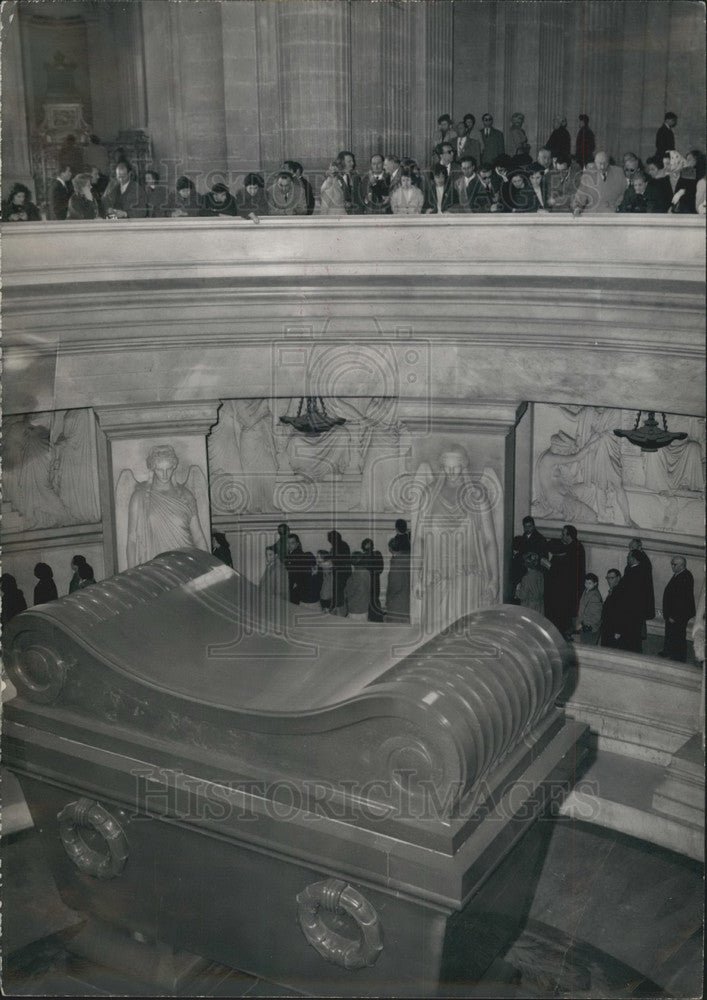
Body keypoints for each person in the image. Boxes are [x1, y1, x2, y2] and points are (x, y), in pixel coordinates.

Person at [126, 444, 209, 567]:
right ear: (153, 468)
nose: (165, 474)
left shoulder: (186, 496)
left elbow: (198, 537)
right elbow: (132, 540)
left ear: (174, 466)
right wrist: (131, 573)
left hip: (186, 565)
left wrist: (208, 566)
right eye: (160, 469)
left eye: (169, 468)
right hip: (155, 567)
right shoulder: (140, 497)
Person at [542, 525, 585, 640]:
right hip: (559, 593)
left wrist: (550, 566)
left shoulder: (575, 549)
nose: (561, 536)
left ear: (569, 536)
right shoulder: (570, 546)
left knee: (561, 623)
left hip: (564, 595)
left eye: (563, 534)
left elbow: (566, 573)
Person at [661, 557, 696, 662]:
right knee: (671, 633)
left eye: (674, 564)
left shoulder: (686, 576)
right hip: (673, 613)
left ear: (682, 565)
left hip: (678, 614)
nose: (672, 566)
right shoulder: (679, 574)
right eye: (672, 563)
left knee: (678, 635)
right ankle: (669, 652)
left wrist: (674, 616)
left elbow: (682, 600)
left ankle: (679, 657)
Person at [625, 538, 655, 636]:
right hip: (637, 598)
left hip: (638, 599)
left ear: (639, 547)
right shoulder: (637, 558)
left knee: (637, 623)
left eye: (632, 547)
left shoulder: (642, 561)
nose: (630, 550)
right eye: (630, 547)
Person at [511, 516, 549, 592]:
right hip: (523, 571)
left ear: (533, 526)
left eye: (530, 526)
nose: (527, 529)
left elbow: (543, 557)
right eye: (525, 527)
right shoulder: (522, 538)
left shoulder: (541, 539)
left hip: (534, 572)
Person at [285, 534, 318, 605]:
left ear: (297, 544)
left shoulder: (296, 556)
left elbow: (296, 574)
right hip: (300, 589)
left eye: (292, 543)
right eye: (288, 543)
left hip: (297, 589)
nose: (290, 545)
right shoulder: (291, 555)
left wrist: (295, 584)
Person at [385, 534, 410, 623]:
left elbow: (395, 585)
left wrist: (388, 599)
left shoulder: (397, 563)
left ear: (391, 549)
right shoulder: (408, 558)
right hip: (407, 600)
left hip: (396, 603)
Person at [575, 573, 603, 645]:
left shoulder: (595, 597)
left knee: (588, 649)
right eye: (585, 582)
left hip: (590, 628)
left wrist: (583, 624)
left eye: (589, 583)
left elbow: (596, 617)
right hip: (584, 626)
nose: (587, 585)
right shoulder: (586, 591)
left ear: (595, 584)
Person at [327, 530, 351, 613]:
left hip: (340, 573)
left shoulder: (337, 546)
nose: (329, 541)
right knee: (342, 592)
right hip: (345, 572)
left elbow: (338, 560)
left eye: (330, 539)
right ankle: (341, 610)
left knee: (339, 593)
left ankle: (340, 611)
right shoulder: (343, 544)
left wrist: (331, 563)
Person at [361, 538, 384, 622]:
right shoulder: (375, 554)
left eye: (369, 544)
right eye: (366, 544)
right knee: (372, 600)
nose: (368, 546)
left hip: (371, 581)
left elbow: (380, 569)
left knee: (373, 600)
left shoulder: (366, 556)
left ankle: (376, 619)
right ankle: (375, 619)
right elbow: (380, 569)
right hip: (372, 581)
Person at [600, 568, 624, 648]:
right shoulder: (614, 589)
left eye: (612, 578)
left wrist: (618, 631)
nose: (609, 580)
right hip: (608, 627)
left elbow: (621, 612)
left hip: (614, 629)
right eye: (608, 578)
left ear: (618, 578)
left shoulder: (620, 592)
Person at [344, 552, 370, 621]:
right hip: (364, 607)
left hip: (355, 608)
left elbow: (348, 592)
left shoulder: (355, 575)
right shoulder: (367, 572)